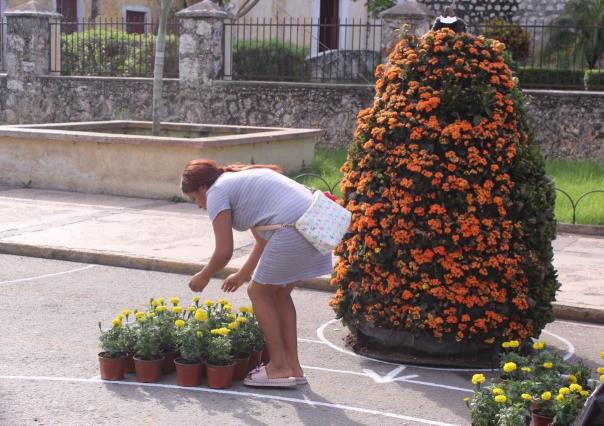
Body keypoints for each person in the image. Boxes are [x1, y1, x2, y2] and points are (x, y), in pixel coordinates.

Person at [180, 159, 333, 388]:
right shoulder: (237, 183)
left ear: (203, 188)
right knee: (279, 294)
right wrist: (242, 274)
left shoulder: (217, 192)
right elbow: (263, 238)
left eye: (194, 199)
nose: (200, 205)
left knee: (258, 293)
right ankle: (294, 367)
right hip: (316, 225)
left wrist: (204, 274)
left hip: (294, 228)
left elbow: (224, 252)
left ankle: (279, 366)